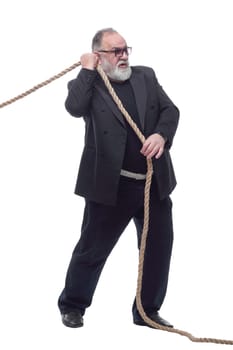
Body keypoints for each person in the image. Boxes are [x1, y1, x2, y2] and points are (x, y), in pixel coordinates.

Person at [58, 28, 179, 328]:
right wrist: (88, 69)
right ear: (100, 56)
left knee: (158, 248)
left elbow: (170, 110)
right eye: (116, 51)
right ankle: (73, 305)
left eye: (126, 49)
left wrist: (161, 135)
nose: (124, 56)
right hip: (111, 186)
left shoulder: (145, 77)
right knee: (92, 249)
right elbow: (74, 108)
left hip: (153, 183)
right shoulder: (87, 84)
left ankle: (147, 311)